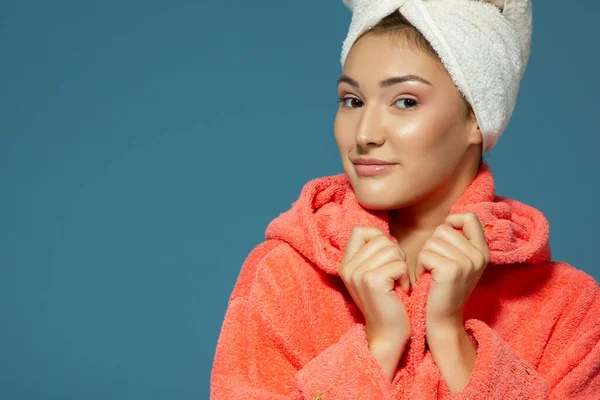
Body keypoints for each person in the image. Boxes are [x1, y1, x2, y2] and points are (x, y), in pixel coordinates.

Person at [210, 0, 600, 398]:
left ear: (477, 118)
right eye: (353, 101)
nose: (364, 134)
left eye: (405, 102)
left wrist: (450, 338)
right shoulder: (283, 276)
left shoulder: (570, 308)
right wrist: (379, 345)